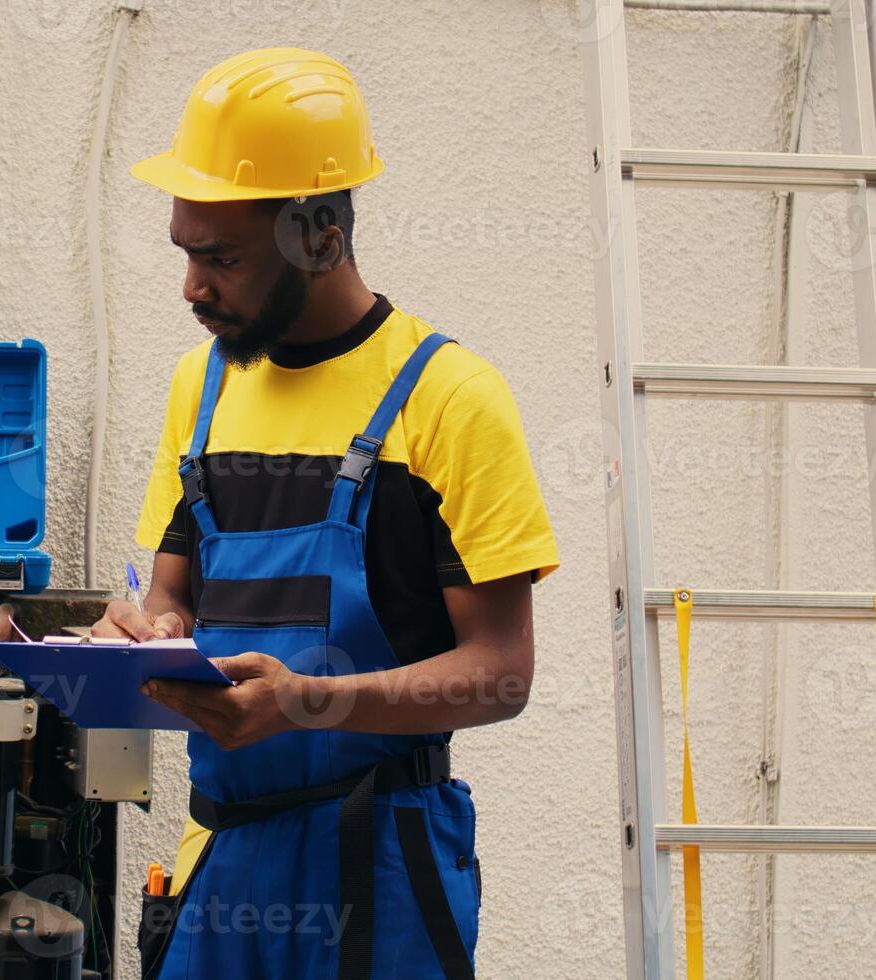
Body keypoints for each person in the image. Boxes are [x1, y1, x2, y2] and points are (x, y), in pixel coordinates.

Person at [97, 48, 559, 979]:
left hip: (379, 865)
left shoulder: (448, 398)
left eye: (219, 257)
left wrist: (312, 702)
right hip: (222, 864)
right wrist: (143, 639)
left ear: (317, 235)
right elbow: (172, 599)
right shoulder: (200, 390)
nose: (192, 287)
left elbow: (502, 674)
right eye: (186, 252)